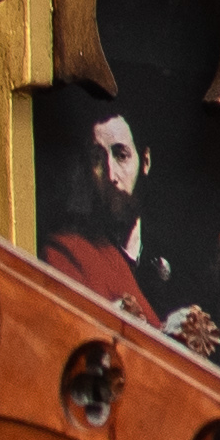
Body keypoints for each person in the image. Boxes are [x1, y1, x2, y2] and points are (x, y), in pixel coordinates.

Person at [41, 101, 154, 312]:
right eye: (97, 159)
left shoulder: (176, 259)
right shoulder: (68, 254)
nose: (111, 175)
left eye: (121, 156)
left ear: (145, 161)